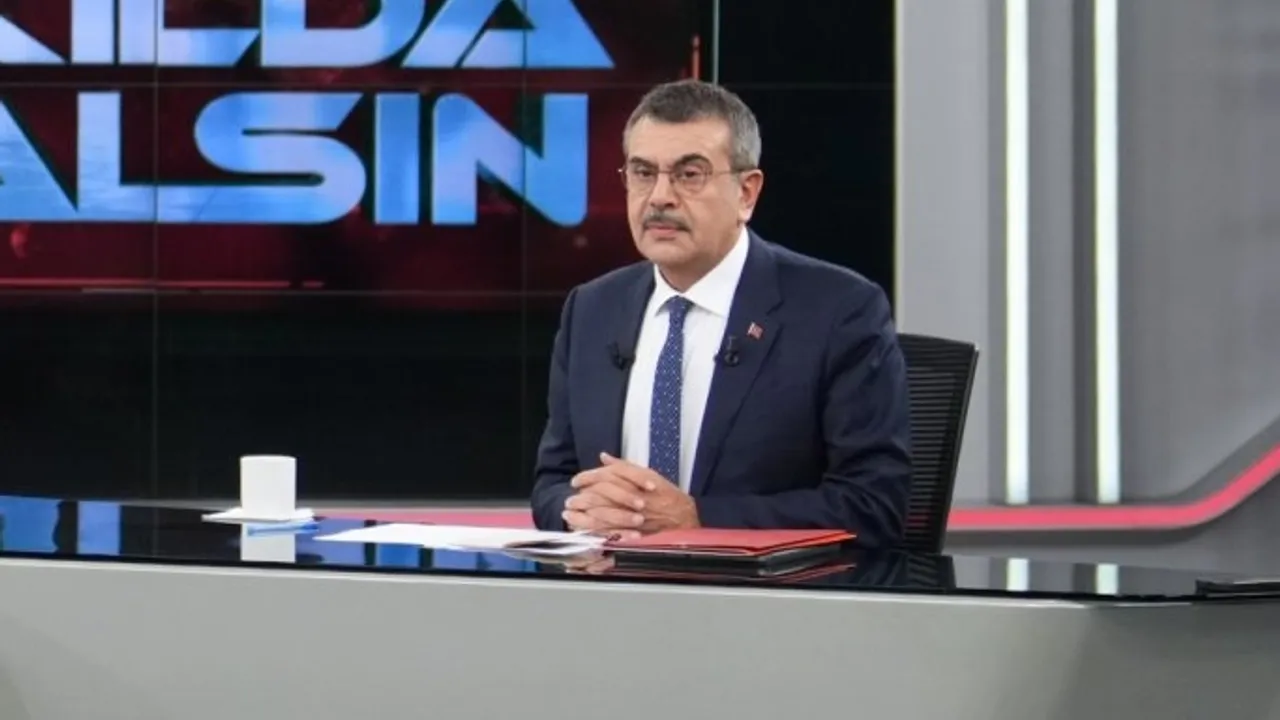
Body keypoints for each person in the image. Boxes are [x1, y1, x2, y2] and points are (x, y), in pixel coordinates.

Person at [530, 79, 912, 547]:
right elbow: (554, 481)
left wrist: (698, 519)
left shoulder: (839, 310)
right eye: (643, 172)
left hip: (764, 590)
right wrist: (579, 511)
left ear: (747, 193)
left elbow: (875, 505)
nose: (660, 197)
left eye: (689, 174)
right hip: (613, 584)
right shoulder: (592, 309)